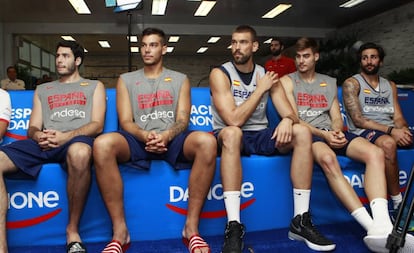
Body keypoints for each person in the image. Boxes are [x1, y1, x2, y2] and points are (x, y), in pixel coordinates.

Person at [280, 37, 414, 253]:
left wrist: (335, 130)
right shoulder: (287, 81)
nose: (301, 61)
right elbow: (294, 118)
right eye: (298, 56)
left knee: (375, 153)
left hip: (332, 133)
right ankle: (370, 227)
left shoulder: (329, 81)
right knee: (328, 159)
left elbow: (336, 117)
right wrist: (324, 135)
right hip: (311, 136)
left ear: (316, 57)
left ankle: (384, 224)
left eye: (306, 56)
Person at [209, 25, 335, 253]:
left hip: (260, 134)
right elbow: (233, 119)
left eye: (243, 42)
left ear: (255, 46)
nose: (237, 47)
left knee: (302, 132)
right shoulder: (220, 73)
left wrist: (287, 119)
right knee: (233, 133)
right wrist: (260, 90)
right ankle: (234, 226)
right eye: (234, 42)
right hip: (228, 135)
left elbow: (290, 113)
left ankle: (300, 221)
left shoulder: (266, 75)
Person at [93, 27, 216, 253]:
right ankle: (120, 233)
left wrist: (166, 135)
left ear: (164, 48)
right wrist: (146, 135)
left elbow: (182, 120)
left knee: (207, 142)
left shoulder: (181, 79)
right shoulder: (126, 80)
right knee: (102, 145)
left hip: (171, 137)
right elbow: (126, 121)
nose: (147, 50)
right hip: (138, 138)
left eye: (153, 45)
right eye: (144, 45)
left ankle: (191, 229)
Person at [0, 40, 106, 253]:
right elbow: (33, 127)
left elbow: (97, 125)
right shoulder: (43, 89)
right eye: (57, 56)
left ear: (77, 60)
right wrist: (38, 135)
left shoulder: (94, 86)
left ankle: (72, 231)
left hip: (74, 140)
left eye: (65, 56)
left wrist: (65, 137)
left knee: (81, 153)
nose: (59, 60)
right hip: (45, 142)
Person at [342, 42, 414, 217]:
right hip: (363, 131)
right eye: (365, 58)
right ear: (360, 61)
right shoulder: (352, 83)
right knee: (388, 143)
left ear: (380, 61)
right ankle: (398, 205)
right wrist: (391, 131)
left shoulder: (390, 85)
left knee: (399, 137)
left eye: (373, 57)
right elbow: (359, 121)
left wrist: (403, 129)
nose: (369, 61)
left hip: (389, 129)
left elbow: (397, 116)